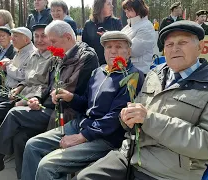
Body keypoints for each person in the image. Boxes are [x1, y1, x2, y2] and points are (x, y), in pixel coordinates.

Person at [72, 20, 208, 180]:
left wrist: (148, 119)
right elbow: (136, 113)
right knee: (84, 177)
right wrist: (126, 118)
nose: (174, 49)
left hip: (167, 171)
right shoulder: (155, 73)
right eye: (169, 45)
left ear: (200, 47)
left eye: (182, 42)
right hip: (129, 155)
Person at [21, 31, 144, 180]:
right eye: (108, 47)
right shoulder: (98, 72)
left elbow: (115, 118)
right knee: (33, 145)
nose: (113, 51)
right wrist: (71, 97)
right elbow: (86, 103)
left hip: (105, 137)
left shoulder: (132, 76)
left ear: (129, 51)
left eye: (119, 46)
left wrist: (82, 137)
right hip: (82, 124)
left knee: (48, 166)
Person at [0, 20, 99, 179]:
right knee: (20, 138)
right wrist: (36, 99)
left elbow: (72, 92)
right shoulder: (60, 55)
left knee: (14, 113)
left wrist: (44, 99)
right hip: (51, 106)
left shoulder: (85, 56)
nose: (49, 45)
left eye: (52, 41)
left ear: (67, 37)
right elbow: (47, 85)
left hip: (66, 113)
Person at [0, 27, 36, 137]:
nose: (12, 39)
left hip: (19, 92)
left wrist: (8, 66)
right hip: (9, 88)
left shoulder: (31, 53)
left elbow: (23, 75)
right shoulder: (20, 50)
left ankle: (2, 144)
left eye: (16, 36)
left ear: (26, 39)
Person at [82, 0, 123, 65]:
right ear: (100, 6)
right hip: (93, 64)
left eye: (111, 4)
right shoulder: (89, 24)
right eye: (109, 4)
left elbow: (121, 43)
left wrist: (107, 36)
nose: (112, 6)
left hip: (113, 64)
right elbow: (84, 46)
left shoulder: (116, 22)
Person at [121, 0, 155, 75]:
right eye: (125, 12)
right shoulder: (130, 26)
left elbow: (134, 51)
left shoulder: (146, 27)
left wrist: (117, 45)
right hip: (127, 70)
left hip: (139, 72)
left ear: (138, 9)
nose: (127, 15)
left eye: (129, 11)